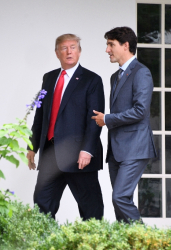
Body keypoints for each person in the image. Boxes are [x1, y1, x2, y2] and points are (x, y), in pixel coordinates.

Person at [26, 34, 105, 220]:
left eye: (73, 47)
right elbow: (40, 115)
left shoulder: (92, 80)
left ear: (79, 51)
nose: (69, 51)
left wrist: (87, 150)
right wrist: (32, 146)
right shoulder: (49, 78)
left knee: (90, 208)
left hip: (79, 155)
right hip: (50, 153)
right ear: (57, 53)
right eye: (64, 48)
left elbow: (95, 118)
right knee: (41, 205)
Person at [92, 27, 156, 223]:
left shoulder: (141, 73)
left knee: (119, 197)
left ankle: (146, 242)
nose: (107, 50)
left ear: (125, 45)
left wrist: (108, 119)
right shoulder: (115, 76)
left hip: (135, 147)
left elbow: (140, 111)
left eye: (111, 45)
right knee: (120, 201)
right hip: (117, 150)